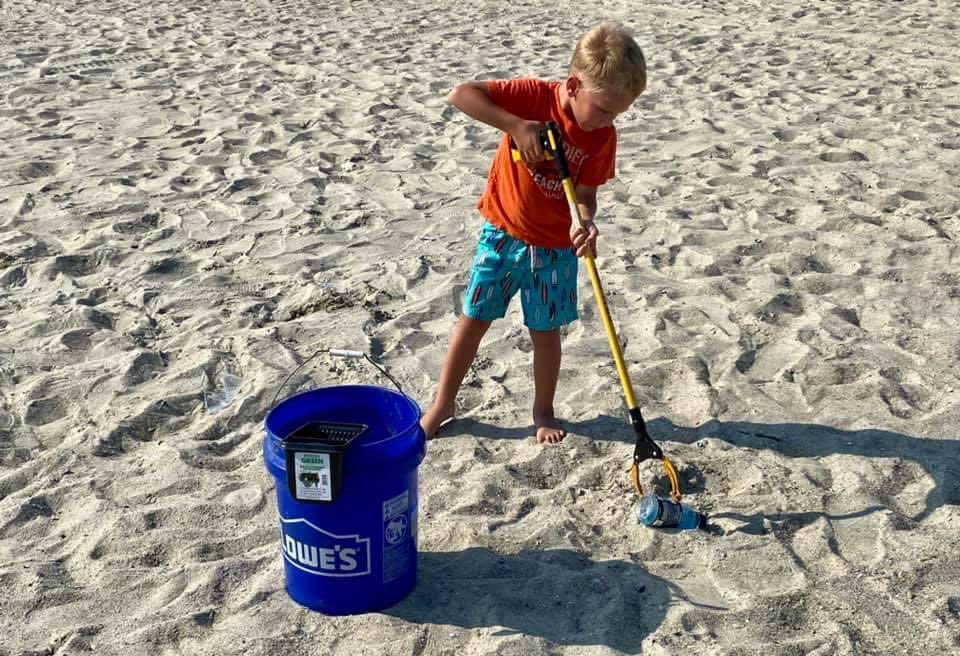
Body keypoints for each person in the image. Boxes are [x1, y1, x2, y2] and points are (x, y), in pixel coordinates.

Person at [421, 21, 647, 444]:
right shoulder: (535, 98)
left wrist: (584, 219)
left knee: (545, 334)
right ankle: (443, 403)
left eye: (618, 113)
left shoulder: (603, 137)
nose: (608, 121)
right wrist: (516, 126)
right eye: (603, 109)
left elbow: (585, 194)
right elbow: (461, 93)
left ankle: (543, 410)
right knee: (473, 320)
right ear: (574, 86)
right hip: (503, 234)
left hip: (555, 250)